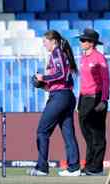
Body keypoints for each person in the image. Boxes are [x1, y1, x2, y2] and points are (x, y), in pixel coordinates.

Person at [27, 30, 81, 176]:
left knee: (42, 131)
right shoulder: (61, 54)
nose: (44, 45)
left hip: (60, 97)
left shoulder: (56, 53)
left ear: (53, 41)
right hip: (66, 95)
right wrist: (42, 85)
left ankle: (42, 167)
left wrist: (43, 77)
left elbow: (61, 74)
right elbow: (62, 81)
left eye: (45, 41)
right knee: (68, 133)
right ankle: (74, 168)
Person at [77, 28, 110, 176]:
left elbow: (106, 80)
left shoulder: (99, 58)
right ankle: (89, 165)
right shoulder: (83, 58)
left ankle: (97, 168)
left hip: (96, 98)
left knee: (97, 133)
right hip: (84, 99)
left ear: (91, 43)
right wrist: (79, 102)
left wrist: (104, 99)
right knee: (87, 134)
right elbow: (82, 81)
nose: (81, 42)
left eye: (84, 40)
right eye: (81, 40)